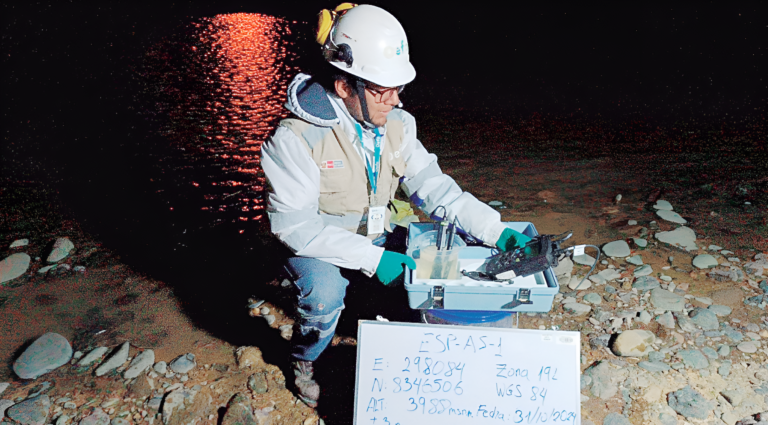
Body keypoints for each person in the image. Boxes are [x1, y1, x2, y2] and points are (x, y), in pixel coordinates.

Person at [261, 3, 532, 408]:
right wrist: (373, 260)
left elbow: (436, 189)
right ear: (343, 86)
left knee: (444, 259)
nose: (395, 100)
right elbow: (295, 228)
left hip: (375, 232)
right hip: (317, 242)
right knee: (325, 293)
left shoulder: (398, 125)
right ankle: (304, 360)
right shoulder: (294, 139)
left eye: (398, 87)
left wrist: (495, 230)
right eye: (380, 90)